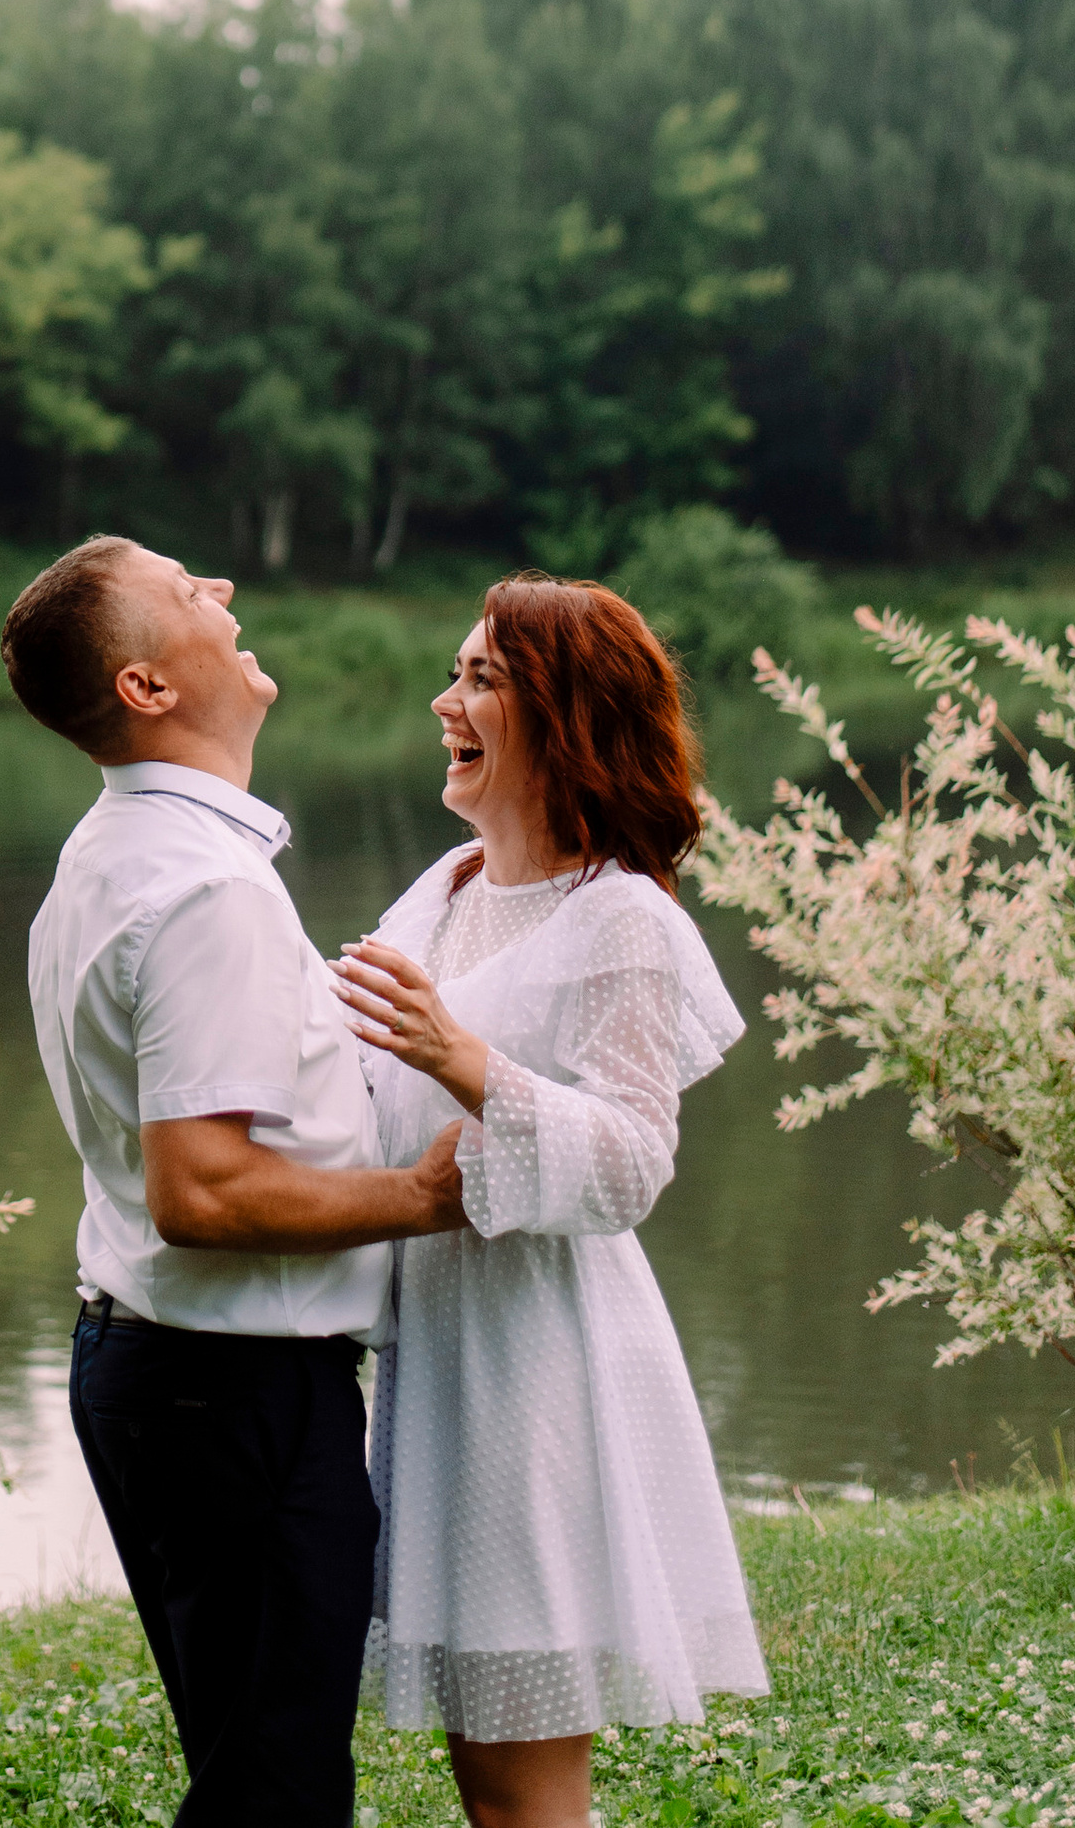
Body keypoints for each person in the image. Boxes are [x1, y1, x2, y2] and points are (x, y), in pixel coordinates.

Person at [4, 535, 469, 1828]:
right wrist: (429, 1194)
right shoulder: (202, 888)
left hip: (174, 1376)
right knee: (276, 1792)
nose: (222, 589)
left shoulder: (118, 856)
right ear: (147, 685)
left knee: (260, 1771)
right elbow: (202, 1192)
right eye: (186, 590)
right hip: (230, 1389)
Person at [335, 573, 769, 1828]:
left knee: (525, 1786)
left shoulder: (619, 917)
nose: (444, 701)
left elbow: (635, 1162)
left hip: (540, 1371)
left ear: (566, 715)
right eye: (454, 674)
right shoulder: (447, 885)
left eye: (479, 679)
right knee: (483, 1771)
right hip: (440, 1358)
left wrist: (459, 1058)